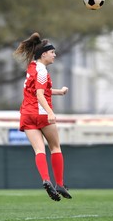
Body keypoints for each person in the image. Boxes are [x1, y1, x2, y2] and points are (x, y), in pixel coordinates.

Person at [13, 32, 72, 201]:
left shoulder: (32, 67)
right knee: (55, 148)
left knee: (39, 150)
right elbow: (39, 94)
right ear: (44, 54)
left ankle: (46, 180)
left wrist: (58, 92)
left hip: (26, 114)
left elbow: (37, 90)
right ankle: (59, 183)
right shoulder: (42, 71)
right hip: (41, 113)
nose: (54, 55)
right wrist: (51, 112)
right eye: (52, 52)